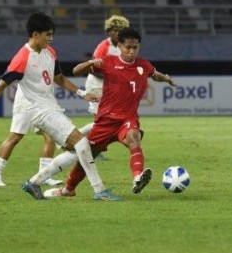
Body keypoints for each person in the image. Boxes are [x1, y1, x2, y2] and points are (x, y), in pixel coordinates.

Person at [0, 12, 121, 201]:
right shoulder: (22, 57)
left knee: (75, 149)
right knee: (82, 143)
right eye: (48, 35)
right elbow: (1, 85)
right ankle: (99, 190)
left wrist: (82, 93)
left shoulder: (49, 52)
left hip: (51, 106)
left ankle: (35, 182)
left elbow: (59, 78)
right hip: (39, 110)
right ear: (35, 34)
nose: (51, 39)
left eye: (52, 34)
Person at [43, 28, 176, 198]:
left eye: (135, 47)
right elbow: (76, 71)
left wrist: (165, 78)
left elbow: (154, 74)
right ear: (119, 46)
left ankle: (137, 177)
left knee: (134, 139)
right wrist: (90, 63)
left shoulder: (143, 65)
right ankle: (68, 189)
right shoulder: (108, 62)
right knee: (87, 157)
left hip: (127, 120)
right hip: (105, 121)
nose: (132, 51)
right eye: (128, 47)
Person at [78, 15, 129, 137]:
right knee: (101, 119)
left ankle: (75, 137)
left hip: (108, 87)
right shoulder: (104, 47)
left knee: (107, 119)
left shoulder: (122, 47)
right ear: (109, 31)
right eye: (114, 30)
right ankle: (75, 139)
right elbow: (92, 68)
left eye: (120, 30)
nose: (117, 33)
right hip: (95, 84)